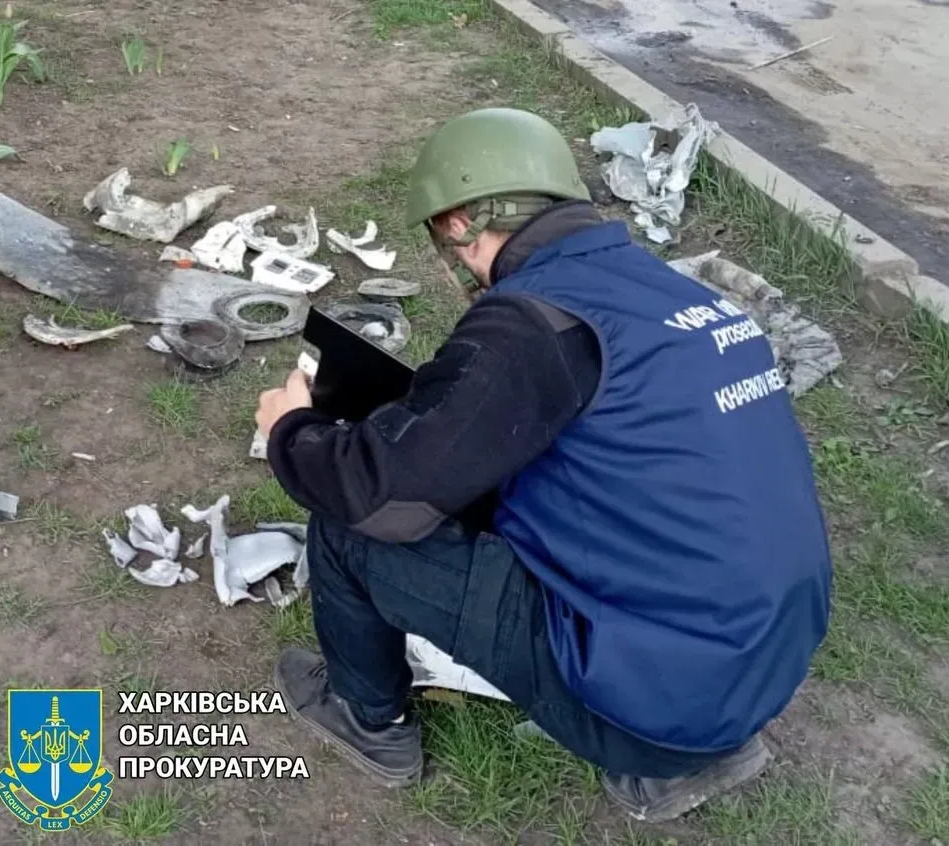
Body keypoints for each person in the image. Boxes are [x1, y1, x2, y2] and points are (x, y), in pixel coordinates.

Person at [255, 107, 832, 822]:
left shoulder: (531, 319)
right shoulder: (679, 299)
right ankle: (694, 746)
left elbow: (380, 497)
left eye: (444, 238)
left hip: (655, 706)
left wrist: (292, 430)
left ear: (462, 222)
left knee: (349, 527)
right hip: (760, 664)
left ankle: (368, 721)